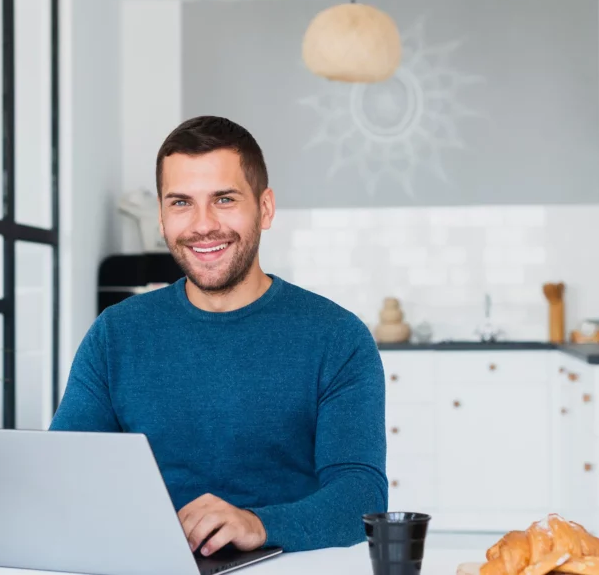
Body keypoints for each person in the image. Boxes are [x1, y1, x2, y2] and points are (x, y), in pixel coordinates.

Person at [50, 115, 387, 555]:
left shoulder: (338, 337)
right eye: (181, 203)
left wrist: (258, 524)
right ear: (161, 215)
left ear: (265, 208)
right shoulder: (115, 334)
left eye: (224, 199)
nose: (202, 225)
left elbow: (362, 498)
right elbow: (63, 471)